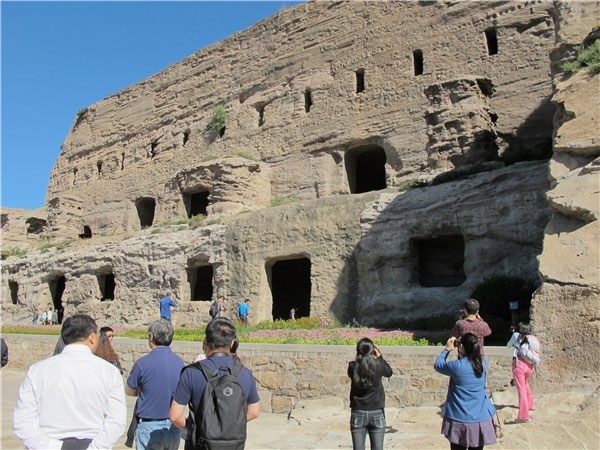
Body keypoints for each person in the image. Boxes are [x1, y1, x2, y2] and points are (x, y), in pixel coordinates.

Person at [13, 314, 126, 449]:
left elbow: (23, 420)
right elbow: (116, 420)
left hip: (48, 442)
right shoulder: (109, 371)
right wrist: (97, 447)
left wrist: (48, 446)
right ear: (91, 336)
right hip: (93, 442)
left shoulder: (37, 370)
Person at [170, 317, 260, 448]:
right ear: (231, 344)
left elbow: (174, 416)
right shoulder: (245, 373)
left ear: (205, 343)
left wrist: (197, 428)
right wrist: (228, 425)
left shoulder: (192, 372)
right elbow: (254, 412)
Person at [126, 320, 184, 449]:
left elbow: (129, 390)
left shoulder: (142, 363)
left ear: (151, 337)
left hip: (149, 426)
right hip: (172, 426)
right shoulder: (179, 363)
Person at [435, 333, 497, 450]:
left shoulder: (457, 366)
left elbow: (438, 365)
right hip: (481, 418)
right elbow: (476, 359)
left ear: (462, 347)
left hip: (460, 418)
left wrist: (447, 349)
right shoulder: (484, 363)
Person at [347, 337, 393, 450]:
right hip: (376, 411)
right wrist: (379, 356)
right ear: (373, 350)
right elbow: (389, 372)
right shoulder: (378, 365)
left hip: (358, 411)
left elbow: (356, 365)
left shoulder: (353, 367)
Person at [505, 323, 539, 424]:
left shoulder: (516, 336)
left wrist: (514, 335)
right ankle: (530, 404)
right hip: (530, 365)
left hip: (519, 365)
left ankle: (524, 416)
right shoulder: (533, 338)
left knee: (521, 389)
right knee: (525, 383)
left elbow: (508, 345)